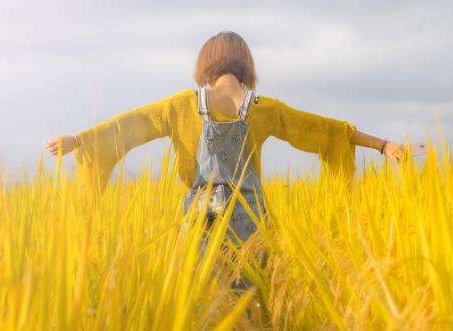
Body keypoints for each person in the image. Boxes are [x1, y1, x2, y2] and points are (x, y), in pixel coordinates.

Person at [44, 30, 408, 250]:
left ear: (206, 65)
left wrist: (79, 140)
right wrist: (382, 145)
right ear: (246, 66)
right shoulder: (263, 108)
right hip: (251, 215)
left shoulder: (183, 104)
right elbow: (324, 131)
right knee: (250, 296)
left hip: (200, 214)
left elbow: (130, 125)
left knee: (204, 299)